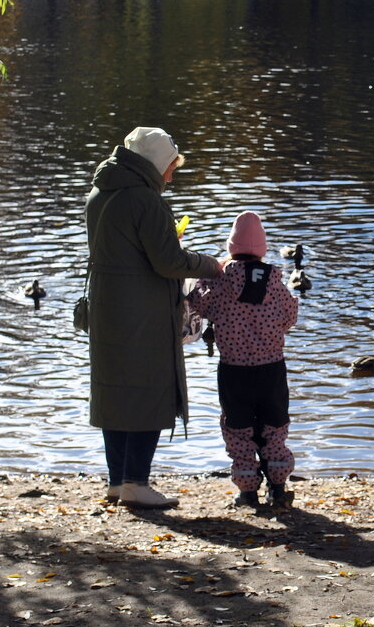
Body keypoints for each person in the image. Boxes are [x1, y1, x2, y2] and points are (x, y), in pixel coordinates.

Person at [85, 127, 222, 509]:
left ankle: (117, 480)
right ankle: (136, 482)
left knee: (115, 393)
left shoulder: (99, 193)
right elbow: (169, 262)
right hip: (142, 312)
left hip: (106, 308)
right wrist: (214, 265)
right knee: (150, 390)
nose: (173, 175)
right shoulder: (146, 201)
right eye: (171, 167)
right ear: (157, 164)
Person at [188, 211, 299, 508]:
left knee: (238, 428)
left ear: (231, 247)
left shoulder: (221, 278)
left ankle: (247, 490)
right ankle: (278, 485)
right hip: (272, 368)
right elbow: (290, 316)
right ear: (261, 248)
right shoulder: (274, 279)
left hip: (234, 370)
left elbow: (197, 304)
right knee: (274, 425)